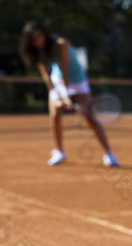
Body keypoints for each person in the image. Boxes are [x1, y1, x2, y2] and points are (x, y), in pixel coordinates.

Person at [20, 21, 119, 167]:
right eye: (34, 38)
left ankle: (109, 153)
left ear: (44, 33)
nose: (38, 40)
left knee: (90, 117)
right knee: (55, 115)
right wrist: (56, 93)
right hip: (58, 79)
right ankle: (60, 152)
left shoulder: (61, 43)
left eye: (39, 35)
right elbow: (46, 75)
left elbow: (64, 68)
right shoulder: (38, 52)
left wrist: (66, 94)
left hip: (77, 80)